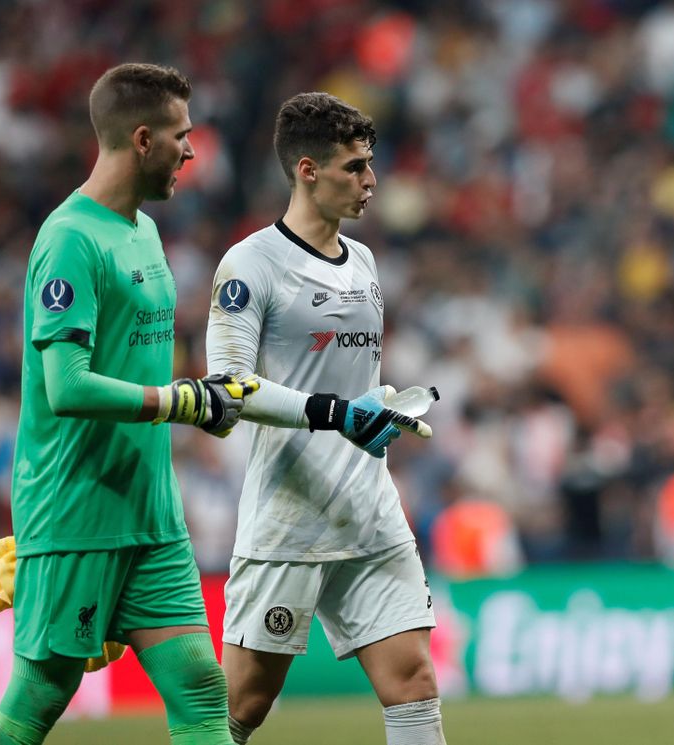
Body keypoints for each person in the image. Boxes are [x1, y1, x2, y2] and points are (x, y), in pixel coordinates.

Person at [0, 63, 258, 745]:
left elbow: (141, 363)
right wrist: (181, 402)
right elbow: (66, 386)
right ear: (141, 140)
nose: (191, 151)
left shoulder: (145, 232)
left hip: (150, 511)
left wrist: (202, 396)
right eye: (180, 136)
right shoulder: (70, 239)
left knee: (199, 682)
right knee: (44, 690)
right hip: (76, 508)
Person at [206, 92, 446, 745]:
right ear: (307, 169)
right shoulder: (252, 265)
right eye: (355, 167)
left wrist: (378, 406)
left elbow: (348, 381)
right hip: (290, 519)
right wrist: (339, 414)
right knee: (243, 705)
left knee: (414, 682)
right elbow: (227, 389)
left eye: (371, 165)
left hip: (369, 510)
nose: (371, 182)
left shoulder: (364, 262)